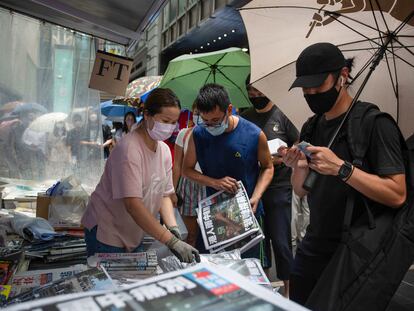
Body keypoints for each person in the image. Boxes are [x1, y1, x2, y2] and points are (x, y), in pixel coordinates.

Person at [281, 42, 406, 305]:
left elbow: (397, 194)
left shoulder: (375, 124)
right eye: (305, 88)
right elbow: (301, 190)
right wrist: (296, 168)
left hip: (355, 252)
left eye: (318, 85)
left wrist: (343, 169)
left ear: (343, 76)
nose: (312, 93)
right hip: (313, 244)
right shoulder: (311, 126)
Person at [81, 88, 200, 263]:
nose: (169, 127)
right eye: (165, 120)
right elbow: (132, 205)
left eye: (174, 122)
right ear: (147, 115)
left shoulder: (164, 150)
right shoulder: (129, 149)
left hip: (134, 230)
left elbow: (165, 195)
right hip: (107, 230)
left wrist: (172, 228)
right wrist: (170, 241)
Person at [182, 83, 274, 263]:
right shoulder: (198, 134)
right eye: (205, 120)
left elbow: (268, 167)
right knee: (215, 268)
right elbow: (186, 170)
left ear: (229, 110)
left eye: (216, 120)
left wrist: (256, 196)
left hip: (248, 212)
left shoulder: (254, 134)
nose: (210, 125)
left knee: (249, 267)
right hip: (214, 216)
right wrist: (215, 182)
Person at [242, 83, 299, 297]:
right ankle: (262, 287)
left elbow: (297, 141)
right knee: (257, 241)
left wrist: (286, 155)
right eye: (252, 92)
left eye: (260, 91)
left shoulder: (282, 114)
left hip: (279, 185)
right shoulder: (245, 117)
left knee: (281, 240)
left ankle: (289, 290)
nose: (256, 95)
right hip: (253, 185)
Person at [172, 103, 206, 247]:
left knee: (209, 235)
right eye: (197, 112)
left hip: (210, 184)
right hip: (188, 187)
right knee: (190, 236)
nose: (199, 116)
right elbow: (177, 166)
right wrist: (172, 192)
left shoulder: (218, 134)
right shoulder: (184, 134)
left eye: (203, 112)